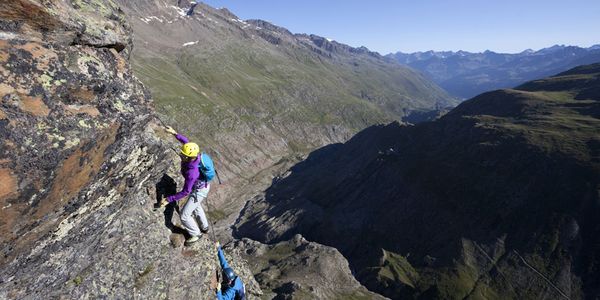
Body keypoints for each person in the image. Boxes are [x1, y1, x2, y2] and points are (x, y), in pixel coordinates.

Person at [160, 126, 210, 246]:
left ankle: (196, 234)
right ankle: (205, 227)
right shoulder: (194, 155)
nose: (181, 155)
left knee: (184, 215)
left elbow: (185, 192)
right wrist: (175, 133)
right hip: (202, 186)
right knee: (196, 206)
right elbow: (186, 142)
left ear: (190, 157)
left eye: (184, 155)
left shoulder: (191, 173)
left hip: (198, 190)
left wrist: (168, 199)